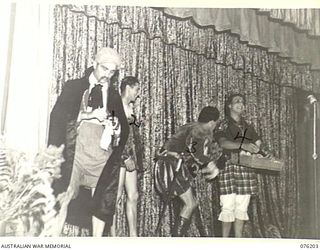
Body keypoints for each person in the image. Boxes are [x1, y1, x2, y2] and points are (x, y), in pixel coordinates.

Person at [47, 47, 129, 236]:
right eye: (104, 69)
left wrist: (116, 128)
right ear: (94, 64)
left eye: (112, 71)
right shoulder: (74, 87)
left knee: (102, 204)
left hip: (101, 156)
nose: (107, 75)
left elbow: (124, 129)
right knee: (63, 197)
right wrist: (88, 114)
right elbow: (58, 118)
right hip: (75, 152)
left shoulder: (115, 96)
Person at [156, 106, 221, 237]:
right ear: (212, 122)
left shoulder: (193, 127)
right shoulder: (200, 130)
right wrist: (209, 164)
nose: (215, 127)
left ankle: (177, 237)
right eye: (216, 123)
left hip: (172, 164)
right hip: (172, 165)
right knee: (190, 204)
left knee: (192, 203)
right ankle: (177, 240)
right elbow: (195, 152)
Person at [215, 93, 261, 237]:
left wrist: (258, 150)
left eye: (242, 102)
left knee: (242, 207)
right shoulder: (223, 124)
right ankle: (225, 242)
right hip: (229, 167)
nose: (241, 104)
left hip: (246, 168)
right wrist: (244, 145)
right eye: (237, 101)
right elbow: (223, 143)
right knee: (228, 207)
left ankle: (238, 241)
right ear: (229, 106)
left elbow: (257, 143)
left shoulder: (248, 126)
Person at [110, 76, 143, 237]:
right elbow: (114, 137)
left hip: (132, 157)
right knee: (115, 197)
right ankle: (113, 237)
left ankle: (133, 236)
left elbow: (133, 138)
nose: (138, 94)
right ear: (128, 88)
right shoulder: (116, 107)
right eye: (137, 89)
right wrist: (124, 157)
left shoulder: (131, 110)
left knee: (133, 195)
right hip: (119, 157)